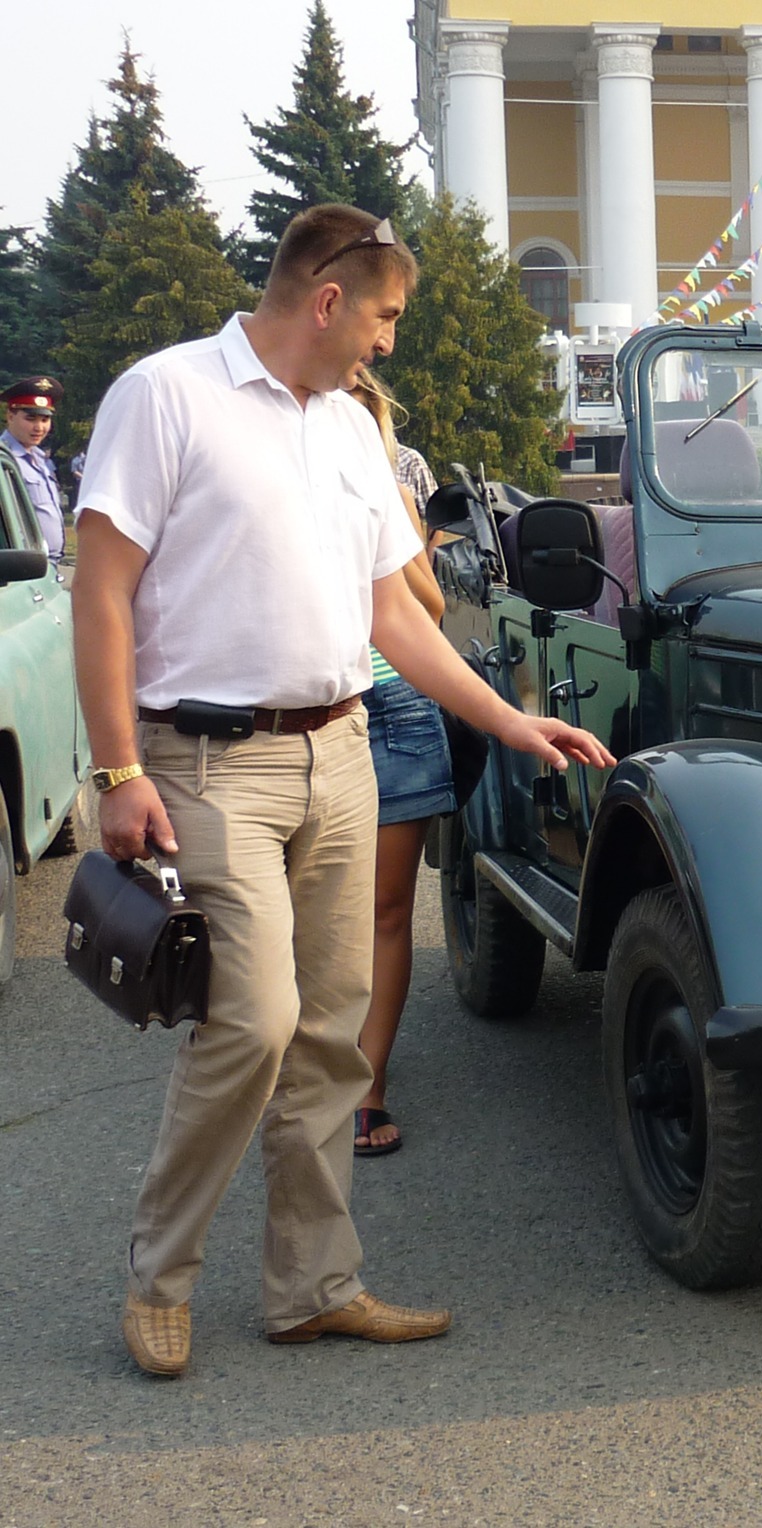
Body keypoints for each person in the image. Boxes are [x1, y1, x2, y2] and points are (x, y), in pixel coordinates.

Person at [71, 203, 615, 1379]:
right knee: (254, 1025)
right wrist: (116, 770)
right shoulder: (167, 396)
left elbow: (392, 620)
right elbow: (101, 591)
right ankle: (159, 1276)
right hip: (209, 764)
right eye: (384, 315)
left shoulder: (353, 434)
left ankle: (311, 1286)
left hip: (344, 753)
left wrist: (510, 721)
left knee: (332, 1036)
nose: (388, 340)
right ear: (327, 298)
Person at [349, 370, 450, 1159]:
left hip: (401, 705)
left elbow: (432, 609)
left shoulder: (399, 479)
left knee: (387, 910)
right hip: (319, 708)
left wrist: (391, 516)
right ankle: (309, 1054)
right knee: (314, 912)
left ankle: (366, 1084)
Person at [3, 375, 66, 558]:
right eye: (31, 419)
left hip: (49, 565)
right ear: (10, 416)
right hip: (22, 566)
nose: (39, 427)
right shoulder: (5, 460)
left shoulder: (40, 459)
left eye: (45, 420)